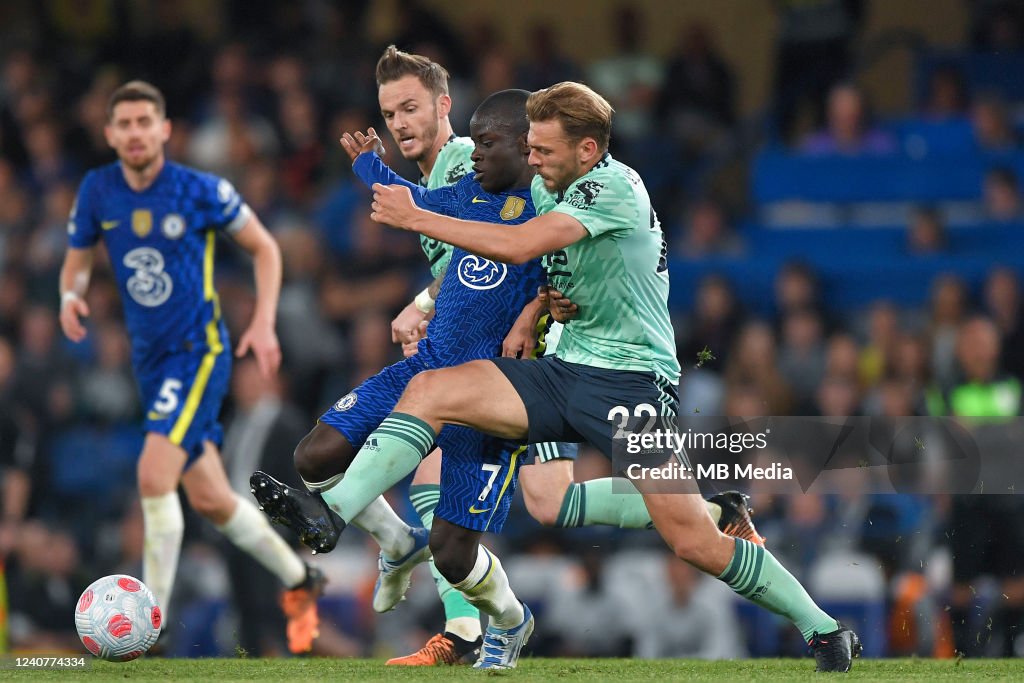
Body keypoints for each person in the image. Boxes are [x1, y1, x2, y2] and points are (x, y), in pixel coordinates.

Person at [263, 81, 862, 671]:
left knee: (692, 544)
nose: (533, 161)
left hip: (630, 382)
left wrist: (416, 217)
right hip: (560, 366)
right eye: (531, 148)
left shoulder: (614, 187)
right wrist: (534, 308)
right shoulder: (554, 184)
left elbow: (523, 246)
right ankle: (335, 513)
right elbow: (547, 262)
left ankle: (823, 628)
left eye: (544, 150)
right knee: (434, 393)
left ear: (588, 150)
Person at [342, 46, 764, 667]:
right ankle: (709, 507)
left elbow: (524, 241)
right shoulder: (433, 178)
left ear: (443, 107)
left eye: (411, 108)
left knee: (433, 453)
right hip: (502, 349)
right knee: (549, 501)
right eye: (388, 111)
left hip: (536, 355)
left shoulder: (469, 160)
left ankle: (461, 630)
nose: (400, 122)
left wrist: (533, 310)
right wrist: (424, 302)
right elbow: (474, 264)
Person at [253, 88, 544, 670]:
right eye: (476, 143)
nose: (476, 156)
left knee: (455, 554)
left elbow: (559, 275)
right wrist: (370, 169)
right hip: (425, 366)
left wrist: (532, 314)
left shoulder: (547, 207)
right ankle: (380, 535)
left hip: (490, 396)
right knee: (315, 455)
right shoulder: (469, 190)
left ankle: (511, 622)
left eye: (487, 144)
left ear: (527, 147)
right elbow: (420, 201)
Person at [58, 80, 323, 654]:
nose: (134, 133)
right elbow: (77, 259)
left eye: (143, 122)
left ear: (164, 130)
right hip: (149, 360)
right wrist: (70, 295)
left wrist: (264, 319)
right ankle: (301, 577)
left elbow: (266, 248)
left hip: (198, 352)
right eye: (123, 124)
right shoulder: (98, 190)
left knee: (154, 475)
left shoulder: (199, 189)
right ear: (110, 134)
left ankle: (144, 628)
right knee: (211, 499)